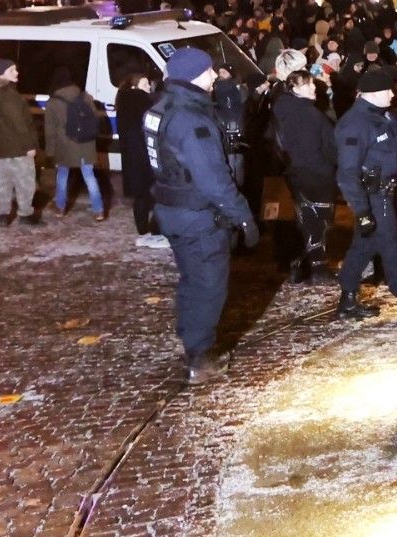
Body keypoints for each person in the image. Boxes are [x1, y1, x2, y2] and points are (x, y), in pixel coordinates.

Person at [145, 45, 258, 382]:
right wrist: (243, 216)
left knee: (191, 280)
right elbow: (213, 178)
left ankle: (191, 340)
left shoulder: (162, 107)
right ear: (196, 74)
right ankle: (199, 358)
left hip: (173, 209)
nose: (214, 76)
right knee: (209, 285)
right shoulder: (192, 119)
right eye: (209, 70)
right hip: (197, 215)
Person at [335, 64, 397, 322]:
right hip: (373, 196)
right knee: (392, 245)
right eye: (388, 90)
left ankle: (347, 299)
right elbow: (348, 173)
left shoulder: (384, 115)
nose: (393, 95)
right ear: (372, 93)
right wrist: (361, 211)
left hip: (388, 191)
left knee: (364, 245)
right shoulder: (355, 123)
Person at [272, 66, 339, 282]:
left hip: (293, 172)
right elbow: (330, 147)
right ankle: (318, 269)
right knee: (319, 222)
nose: (313, 87)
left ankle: (298, 266)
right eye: (308, 84)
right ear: (295, 88)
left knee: (303, 218)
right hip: (316, 174)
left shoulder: (280, 108)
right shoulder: (312, 115)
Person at [0, 58, 40, 228]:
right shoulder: (10, 96)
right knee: (25, 182)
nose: (17, 72)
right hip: (18, 148)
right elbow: (19, 124)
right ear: (2, 73)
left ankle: (4, 215)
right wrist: (29, 146)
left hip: (2, 149)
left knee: (4, 183)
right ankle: (25, 215)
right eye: (12, 70)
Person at [45, 65, 107, 220]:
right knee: (89, 175)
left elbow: (50, 130)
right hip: (86, 144)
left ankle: (60, 207)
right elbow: (94, 118)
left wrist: (50, 152)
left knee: (62, 175)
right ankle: (98, 210)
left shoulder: (53, 102)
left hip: (65, 146)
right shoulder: (85, 96)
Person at [115, 67, 164, 245]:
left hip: (132, 158)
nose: (149, 88)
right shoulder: (140, 100)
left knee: (141, 196)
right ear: (135, 86)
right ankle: (155, 231)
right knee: (157, 194)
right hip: (145, 155)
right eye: (145, 84)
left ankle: (143, 231)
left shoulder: (124, 101)